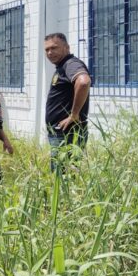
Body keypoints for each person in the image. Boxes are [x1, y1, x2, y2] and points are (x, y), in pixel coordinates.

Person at [44, 32, 91, 173]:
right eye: (47, 49)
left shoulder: (70, 64)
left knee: (62, 176)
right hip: (62, 132)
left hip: (67, 133)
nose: (50, 52)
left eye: (54, 48)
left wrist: (74, 114)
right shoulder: (62, 67)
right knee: (67, 174)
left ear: (67, 47)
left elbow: (83, 82)